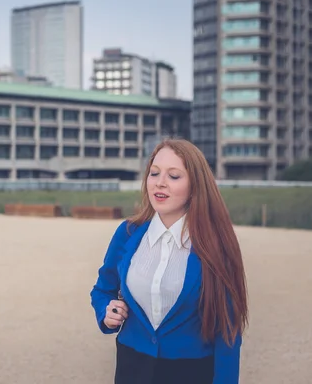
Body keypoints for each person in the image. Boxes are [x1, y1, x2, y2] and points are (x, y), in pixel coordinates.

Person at [90, 138, 248, 384]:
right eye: (154, 173)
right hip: (132, 367)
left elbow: (228, 331)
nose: (160, 183)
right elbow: (103, 289)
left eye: (174, 176)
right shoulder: (128, 233)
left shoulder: (216, 244)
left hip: (192, 373)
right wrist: (106, 311)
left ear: (195, 185)